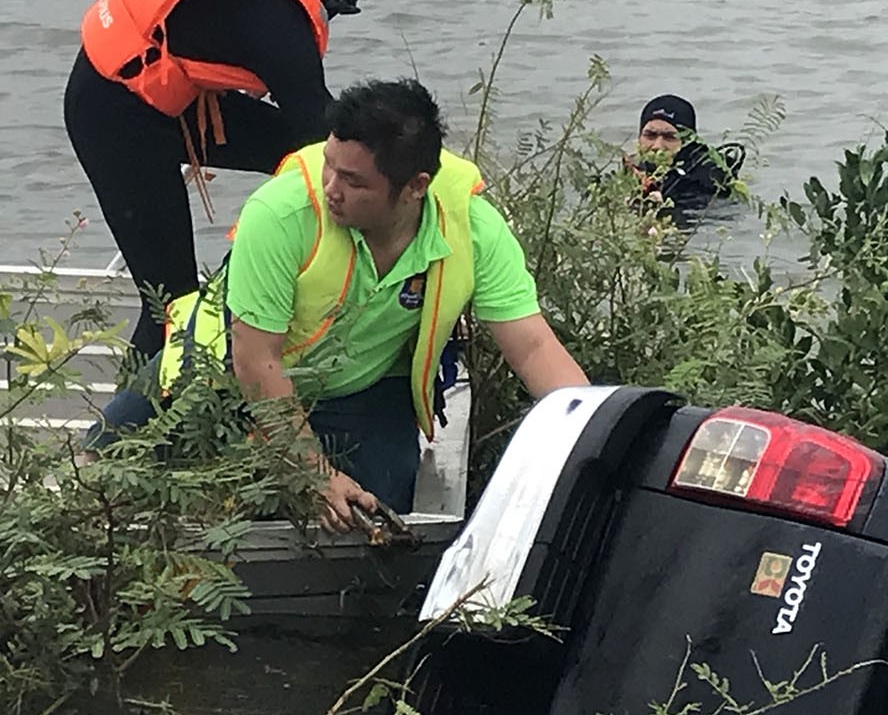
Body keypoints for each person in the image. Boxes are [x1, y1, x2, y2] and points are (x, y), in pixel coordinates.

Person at [66, 0, 422, 441]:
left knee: (298, 154)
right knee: (171, 303)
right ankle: (115, 448)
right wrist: (404, 191)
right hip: (116, 114)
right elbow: (324, 140)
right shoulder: (274, 21)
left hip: (171, 92)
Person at [159, 78, 589, 532]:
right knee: (130, 474)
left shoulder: (472, 228)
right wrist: (316, 473)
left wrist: (592, 437)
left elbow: (533, 347)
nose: (331, 188)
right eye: (329, 166)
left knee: (383, 514)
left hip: (359, 388)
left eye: (353, 181)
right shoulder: (280, 214)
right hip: (221, 368)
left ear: (414, 187)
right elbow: (255, 361)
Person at [626, 94, 743, 214]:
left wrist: (663, 209)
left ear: (687, 142)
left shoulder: (708, 178)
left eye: (670, 137)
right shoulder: (633, 171)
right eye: (650, 135)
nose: (657, 146)